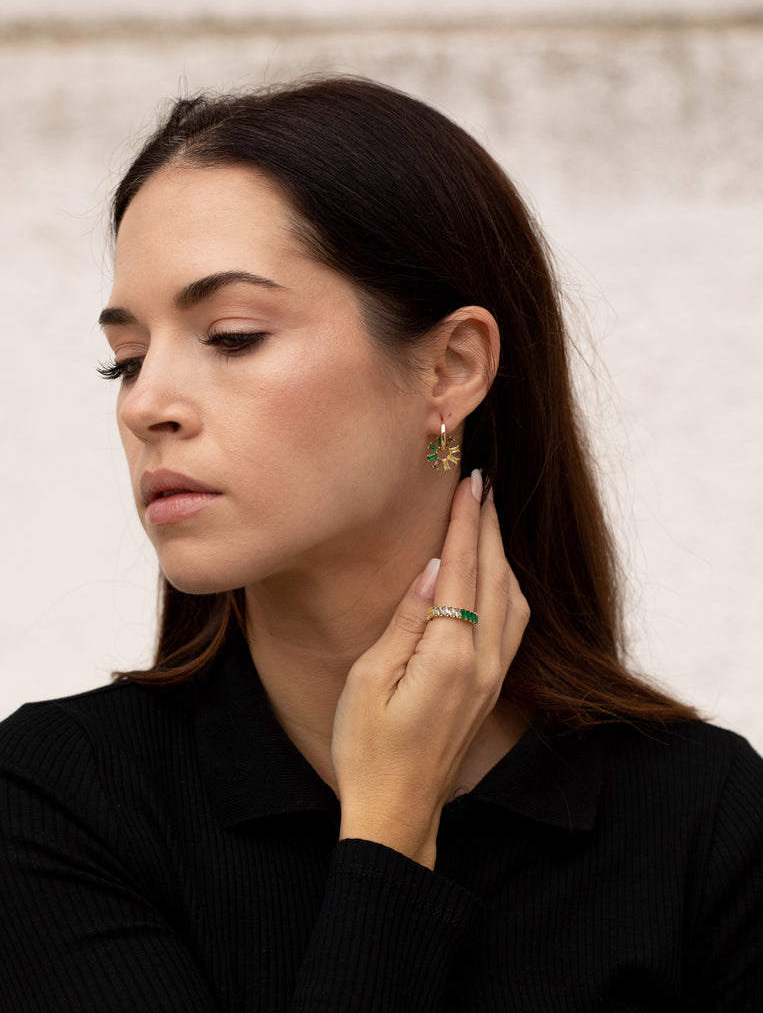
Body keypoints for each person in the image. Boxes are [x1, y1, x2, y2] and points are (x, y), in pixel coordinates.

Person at [0, 76, 761, 1012]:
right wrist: (388, 838)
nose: (147, 403)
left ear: (450, 368)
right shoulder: (56, 797)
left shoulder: (706, 819)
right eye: (127, 358)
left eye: (231, 336)